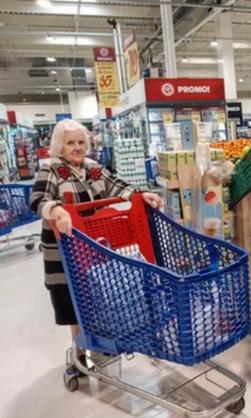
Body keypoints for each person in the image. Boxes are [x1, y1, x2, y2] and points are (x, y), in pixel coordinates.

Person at [29, 119, 163, 375]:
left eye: (81, 142)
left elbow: (116, 186)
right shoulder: (52, 169)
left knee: (98, 295)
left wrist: (139, 194)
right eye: (70, 143)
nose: (77, 147)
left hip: (96, 246)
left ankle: (102, 341)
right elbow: (37, 199)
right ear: (60, 145)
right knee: (73, 300)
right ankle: (78, 354)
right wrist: (56, 210)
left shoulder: (92, 167)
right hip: (65, 248)